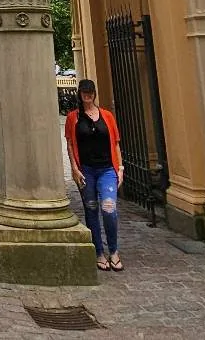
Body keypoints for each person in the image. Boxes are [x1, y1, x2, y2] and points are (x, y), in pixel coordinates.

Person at [64, 78, 123, 272]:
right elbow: (71, 144)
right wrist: (74, 167)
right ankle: (99, 252)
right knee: (91, 210)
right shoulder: (73, 118)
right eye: (84, 93)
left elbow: (115, 142)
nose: (87, 96)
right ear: (80, 95)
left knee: (108, 209)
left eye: (90, 93)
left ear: (94, 94)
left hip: (107, 169)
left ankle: (113, 251)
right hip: (86, 170)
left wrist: (120, 168)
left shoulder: (106, 115)